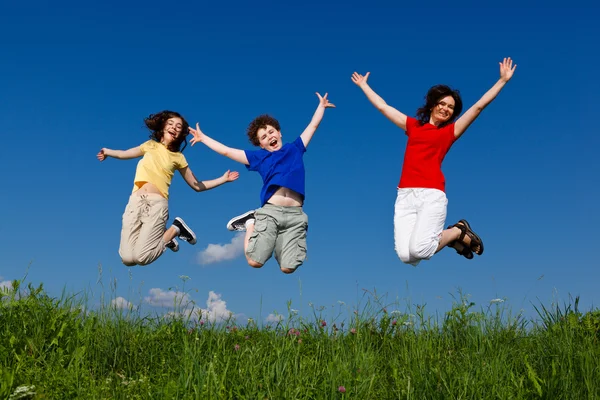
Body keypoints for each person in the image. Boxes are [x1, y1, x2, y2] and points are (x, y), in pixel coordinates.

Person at [351, 58, 516, 265]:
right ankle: (454, 238)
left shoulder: (449, 133)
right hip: (405, 195)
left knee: (421, 249)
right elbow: (384, 108)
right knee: (406, 256)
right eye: (442, 104)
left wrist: (502, 81)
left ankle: (457, 232)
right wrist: (364, 86)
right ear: (432, 105)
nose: (446, 109)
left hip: (431, 194)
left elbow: (478, 107)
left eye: (450, 107)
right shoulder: (413, 127)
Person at [188, 93, 335, 273]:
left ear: (279, 133)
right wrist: (203, 139)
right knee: (254, 261)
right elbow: (227, 151)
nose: (269, 137)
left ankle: (276, 242)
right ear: (261, 145)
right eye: (264, 137)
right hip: (271, 212)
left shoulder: (295, 148)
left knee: (288, 268)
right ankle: (251, 221)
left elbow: (312, 126)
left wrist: (321, 107)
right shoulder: (259, 157)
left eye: (271, 132)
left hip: (296, 215)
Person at [97, 110, 239, 266]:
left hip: (156, 204)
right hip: (134, 203)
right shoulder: (150, 145)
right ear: (163, 128)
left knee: (141, 258)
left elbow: (197, 186)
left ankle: (175, 229)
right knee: (127, 259)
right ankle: (164, 236)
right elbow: (125, 153)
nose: (174, 127)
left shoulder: (178, 157)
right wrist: (107, 151)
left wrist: (223, 179)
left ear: (180, 134)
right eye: (170, 124)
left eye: (179, 126)